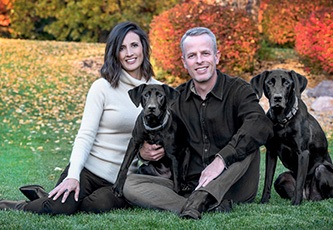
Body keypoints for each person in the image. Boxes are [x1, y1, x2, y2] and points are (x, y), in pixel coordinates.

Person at [0, 21, 160, 214]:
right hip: (89, 170)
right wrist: (73, 175)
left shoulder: (158, 91)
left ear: (143, 46)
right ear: (114, 53)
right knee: (60, 206)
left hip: (122, 178)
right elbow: (86, 134)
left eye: (134, 45)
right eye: (122, 48)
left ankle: (44, 196)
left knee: (97, 205)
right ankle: (16, 205)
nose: (129, 53)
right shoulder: (102, 87)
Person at [123, 27, 274, 220]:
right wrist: (144, 152)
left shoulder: (238, 90)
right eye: (192, 56)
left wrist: (221, 160)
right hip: (191, 185)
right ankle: (197, 205)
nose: (199, 60)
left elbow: (261, 125)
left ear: (216, 56)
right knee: (130, 184)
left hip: (233, 185)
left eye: (205, 53)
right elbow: (156, 131)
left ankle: (204, 198)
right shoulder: (175, 99)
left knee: (247, 142)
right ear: (184, 62)